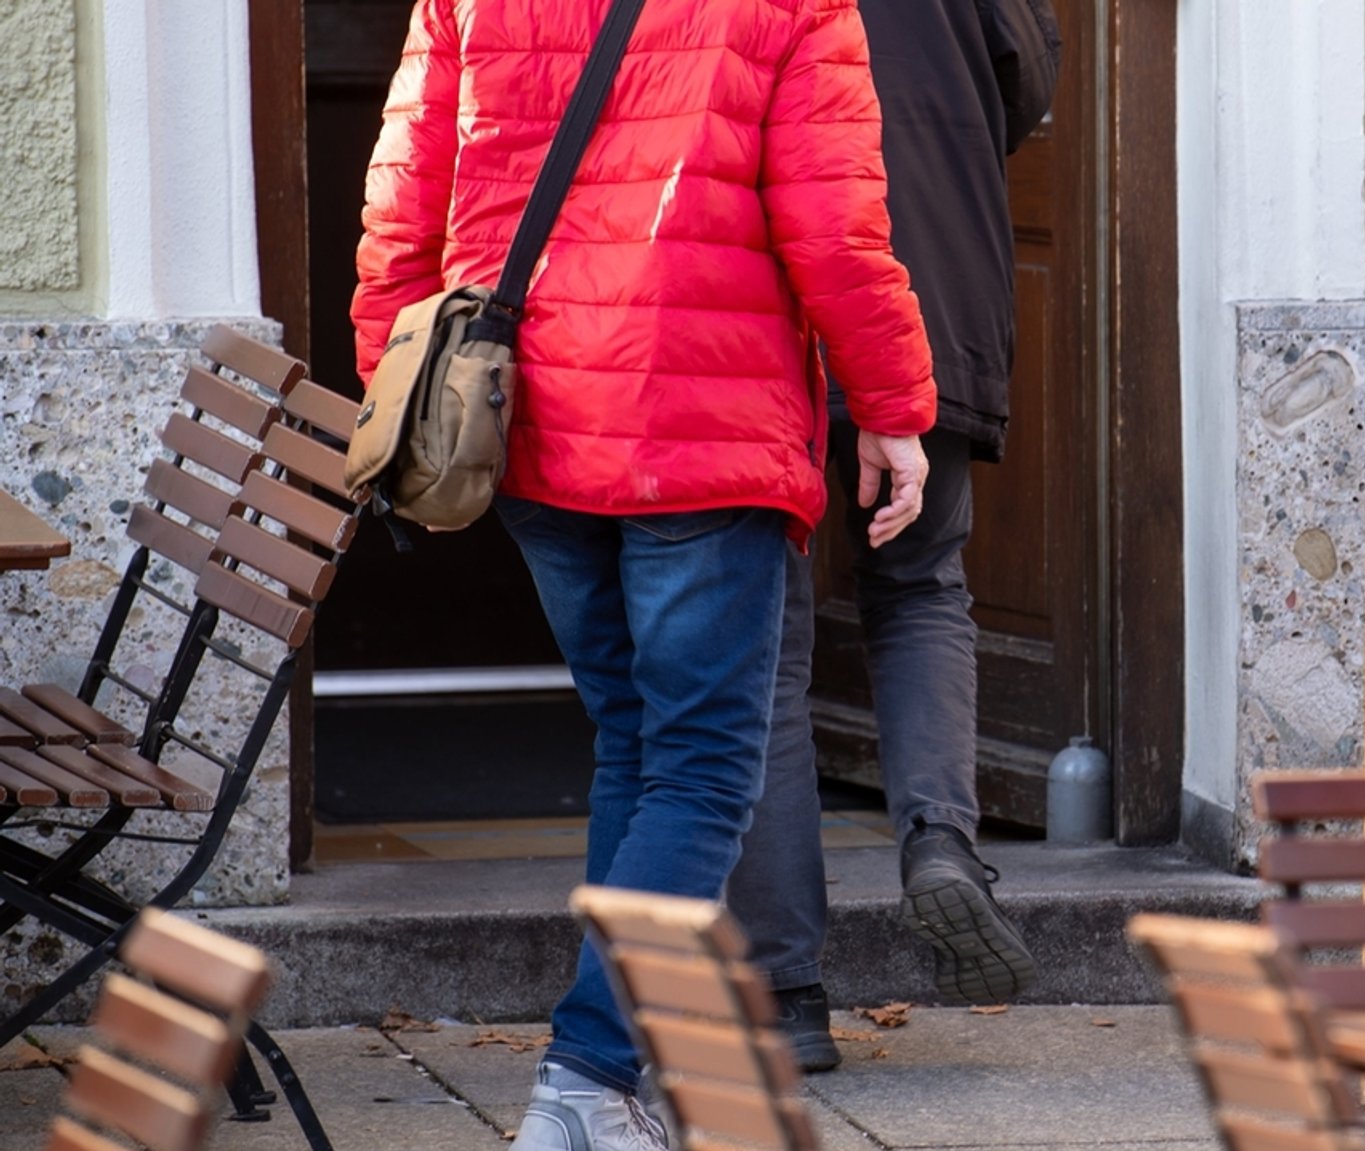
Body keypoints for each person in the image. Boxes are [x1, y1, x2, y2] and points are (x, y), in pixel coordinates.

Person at [350, 3, 937, 1149]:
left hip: (523, 411)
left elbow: (401, 206)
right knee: (705, 767)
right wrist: (894, 408)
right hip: (702, 422)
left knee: (636, 740)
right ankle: (588, 1072)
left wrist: (398, 386)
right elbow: (832, 230)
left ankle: (597, 1093)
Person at [724, 0, 1061, 1073]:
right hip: (928, 284)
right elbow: (1027, 81)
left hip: (754, 302)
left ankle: (786, 993)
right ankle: (939, 840)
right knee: (918, 586)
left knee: (764, 653)